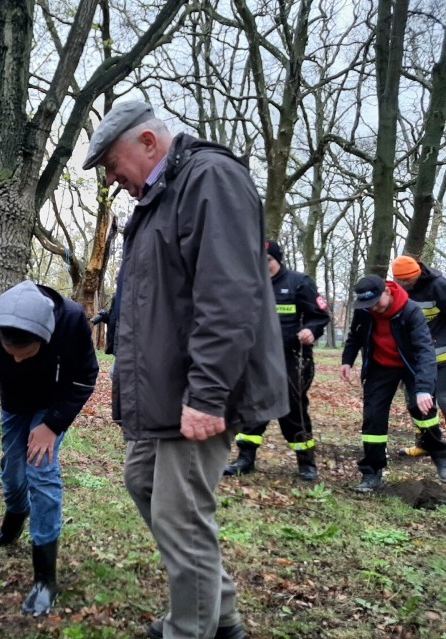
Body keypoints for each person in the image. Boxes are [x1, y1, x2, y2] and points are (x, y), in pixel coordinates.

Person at [82, 100, 287, 639]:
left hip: (201, 388)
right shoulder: (159, 199)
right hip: (172, 387)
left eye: (112, 164)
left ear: (148, 142)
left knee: (179, 512)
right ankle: (220, 618)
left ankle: (192, 629)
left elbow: (228, 296)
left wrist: (207, 394)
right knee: (142, 478)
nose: (113, 179)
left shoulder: (209, 179)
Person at [0, 280, 98, 617]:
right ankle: (10, 527)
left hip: (53, 406)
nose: (15, 362)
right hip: (16, 406)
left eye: (24, 354)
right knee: (13, 475)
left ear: (45, 338)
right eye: (9, 354)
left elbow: (86, 376)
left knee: (40, 472)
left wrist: (52, 425)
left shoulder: (71, 320)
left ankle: (45, 578)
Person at [224, 241, 330, 481]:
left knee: (293, 409)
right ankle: (245, 459)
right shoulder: (251, 284)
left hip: (291, 358)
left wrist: (311, 331)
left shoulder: (299, 282)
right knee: (253, 405)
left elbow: (319, 316)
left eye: (268, 260)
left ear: (277, 260)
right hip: (257, 359)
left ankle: (306, 463)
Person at [341, 274, 446, 490]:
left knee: (424, 412)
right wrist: (347, 361)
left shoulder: (410, 310)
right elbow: (355, 335)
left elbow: (425, 350)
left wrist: (424, 389)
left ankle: (440, 457)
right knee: (373, 417)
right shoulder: (365, 310)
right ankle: (372, 471)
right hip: (381, 367)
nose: (373, 308)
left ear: (387, 292)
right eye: (368, 305)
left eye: (376, 302)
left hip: (411, 364)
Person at [392, 255, 446, 418]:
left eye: (408, 279)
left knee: (444, 399)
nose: (405, 283)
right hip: (417, 358)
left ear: (418, 272)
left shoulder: (439, 286)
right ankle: (426, 442)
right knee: (417, 402)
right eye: (401, 280)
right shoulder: (399, 291)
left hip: (442, 357)